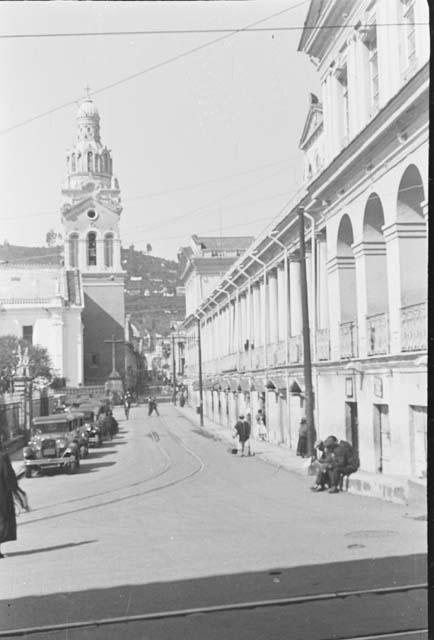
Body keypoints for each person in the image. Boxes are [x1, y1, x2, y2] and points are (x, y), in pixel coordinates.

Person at [0, 438, 29, 558]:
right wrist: (15, 489)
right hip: (2, 495)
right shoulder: (2, 457)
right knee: (3, 521)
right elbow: (8, 475)